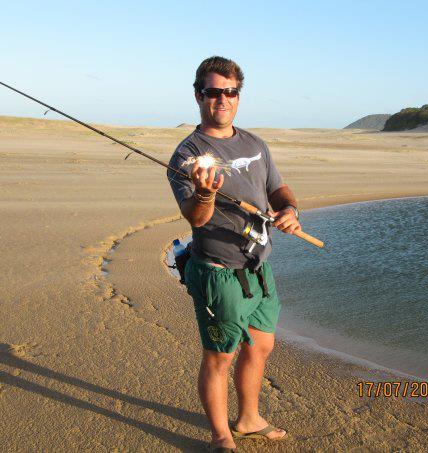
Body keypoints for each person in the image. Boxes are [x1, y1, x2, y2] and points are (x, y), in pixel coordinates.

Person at [167, 56, 301, 452]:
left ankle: (248, 419)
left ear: (238, 96)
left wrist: (289, 209)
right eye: (213, 92)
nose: (222, 99)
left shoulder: (255, 144)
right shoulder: (187, 155)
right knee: (219, 356)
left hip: (258, 267)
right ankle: (221, 437)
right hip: (218, 272)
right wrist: (205, 193)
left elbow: (277, 188)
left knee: (260, 346)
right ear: (198, 96)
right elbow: (195, 216)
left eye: (231, 92)